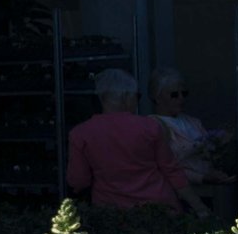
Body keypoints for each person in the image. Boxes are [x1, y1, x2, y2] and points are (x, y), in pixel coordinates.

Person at [67, 69, 206, 214]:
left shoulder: (80, 134)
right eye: (137, 96)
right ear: (126, 96)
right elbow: (172, 171)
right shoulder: (150, 127)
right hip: (158, 208)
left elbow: (78, 181)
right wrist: (200, 208)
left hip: (111, 212)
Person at [149, 67, 225, 182]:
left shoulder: (194, 122)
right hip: (180, 189)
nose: (181, 98)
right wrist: (201, 177)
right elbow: (165, 165)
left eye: (184, 94)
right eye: (174, 95)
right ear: (157, 98)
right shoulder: (153, 125)